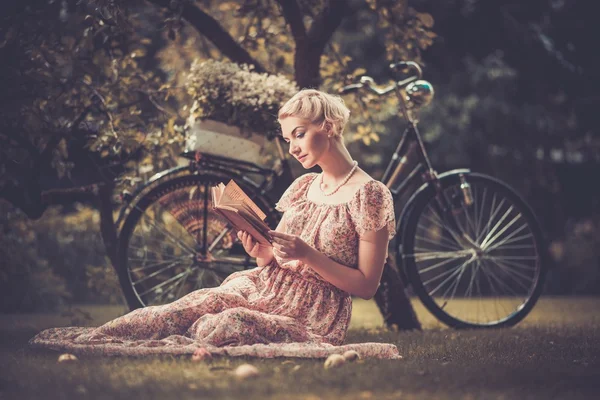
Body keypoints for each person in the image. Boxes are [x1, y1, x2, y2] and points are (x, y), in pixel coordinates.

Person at [29, 89, 401, 359]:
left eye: (299, 134)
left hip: (314, 312)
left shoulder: (369, 194)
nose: (292, 147)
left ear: (331, 126)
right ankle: (99, 338)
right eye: (287, 139)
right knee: (194, 305)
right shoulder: (304, 186)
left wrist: (308, 254)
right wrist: (263, 253)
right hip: (265, 285)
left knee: (225, 324)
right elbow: (281, 259)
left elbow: (367, 285)